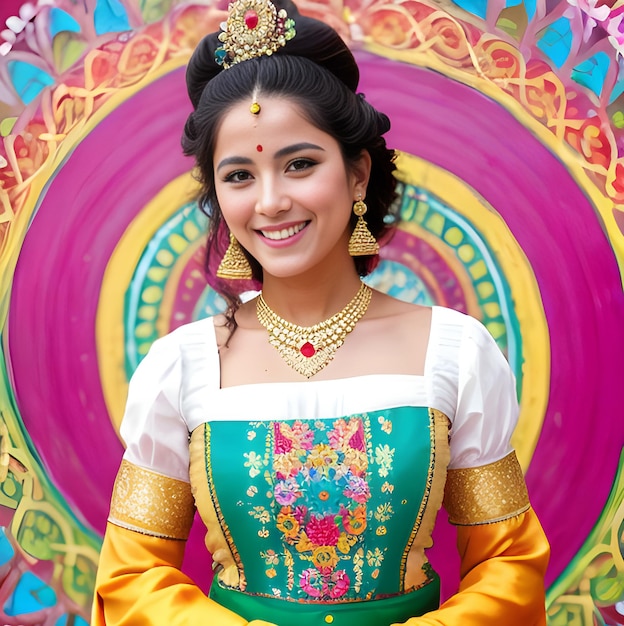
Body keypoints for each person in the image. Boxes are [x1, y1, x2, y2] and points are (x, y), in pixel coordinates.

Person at [91, 0, 550, 623]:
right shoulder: (181, 368)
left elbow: (507, 566)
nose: (272, 201)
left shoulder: (457, 353)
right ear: (216, 195)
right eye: (239, 175)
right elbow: (132, 577)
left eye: (300, 164)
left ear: (356, 173)